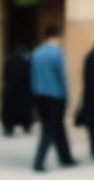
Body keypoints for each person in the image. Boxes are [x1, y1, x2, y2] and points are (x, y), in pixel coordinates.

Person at [30, 25, 76, 172]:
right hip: (55, 96)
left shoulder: (37, 52)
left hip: (39, 95)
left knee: (57, 127)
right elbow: (61, 77)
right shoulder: (57, 53)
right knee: (50, 129)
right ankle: (39, 161)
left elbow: (32, 75)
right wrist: (66, 96)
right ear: (56, 36)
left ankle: (66, 157)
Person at [0, 44, 34, 136]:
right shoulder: (26, 62)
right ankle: (26, 126)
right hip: (23, 91)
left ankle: (8, 129)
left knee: (9, 111)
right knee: (25, 111)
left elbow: (4, 75)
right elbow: (30, 76)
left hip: (10, 91)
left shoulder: (9, 61)